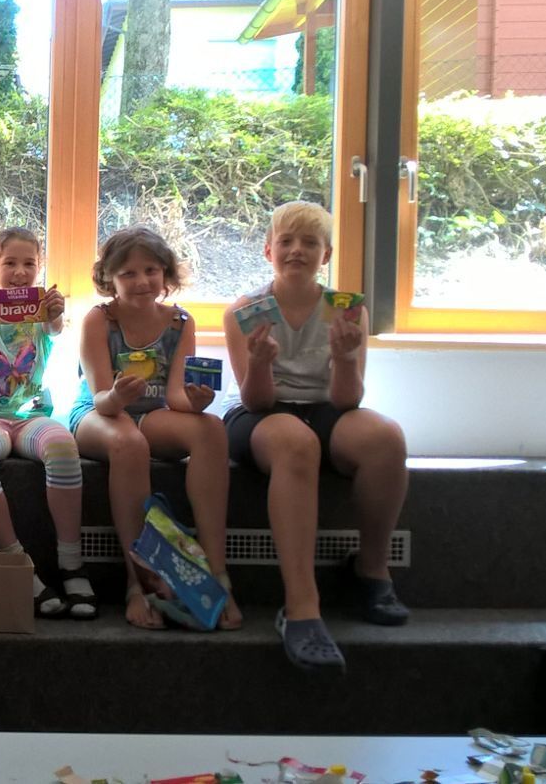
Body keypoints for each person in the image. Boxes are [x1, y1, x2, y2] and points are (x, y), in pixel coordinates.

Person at [222, 201, 410, 670]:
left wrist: (345, 358)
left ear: (326, 255)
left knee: (387, 438)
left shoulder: (346, 311)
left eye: (309, 243)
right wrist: (260, 363)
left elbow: (347, 401)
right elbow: (255, 401)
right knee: (295, 442)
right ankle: (301, 605)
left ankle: (371, 570)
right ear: (268, 250)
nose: (297, 251)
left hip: (327, 410)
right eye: (286, 241)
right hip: (261, 413)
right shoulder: (245, 311)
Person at [69, 226, 238, 630]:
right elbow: (101, 399)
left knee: (211, 428)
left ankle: (217, 577)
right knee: (129, 443)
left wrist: (195, 403)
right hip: (99, 414)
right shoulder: (99, 320)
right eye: (127, 273)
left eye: (151, 270)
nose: (142, 281)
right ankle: (139, 583)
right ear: (109, 278)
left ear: (166, 273)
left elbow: (175, 396)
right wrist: (118, 397)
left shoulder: (180, 322)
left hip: (151, 413)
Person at [0, 227, 95, 619]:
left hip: (33, 416)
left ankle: (71, 562)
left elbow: (55, 328)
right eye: (10, 263)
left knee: (64, 445)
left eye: (29, 263)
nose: (20, 272)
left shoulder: (41, 314)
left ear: (39, 267)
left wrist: (56, 311)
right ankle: (16, 561)